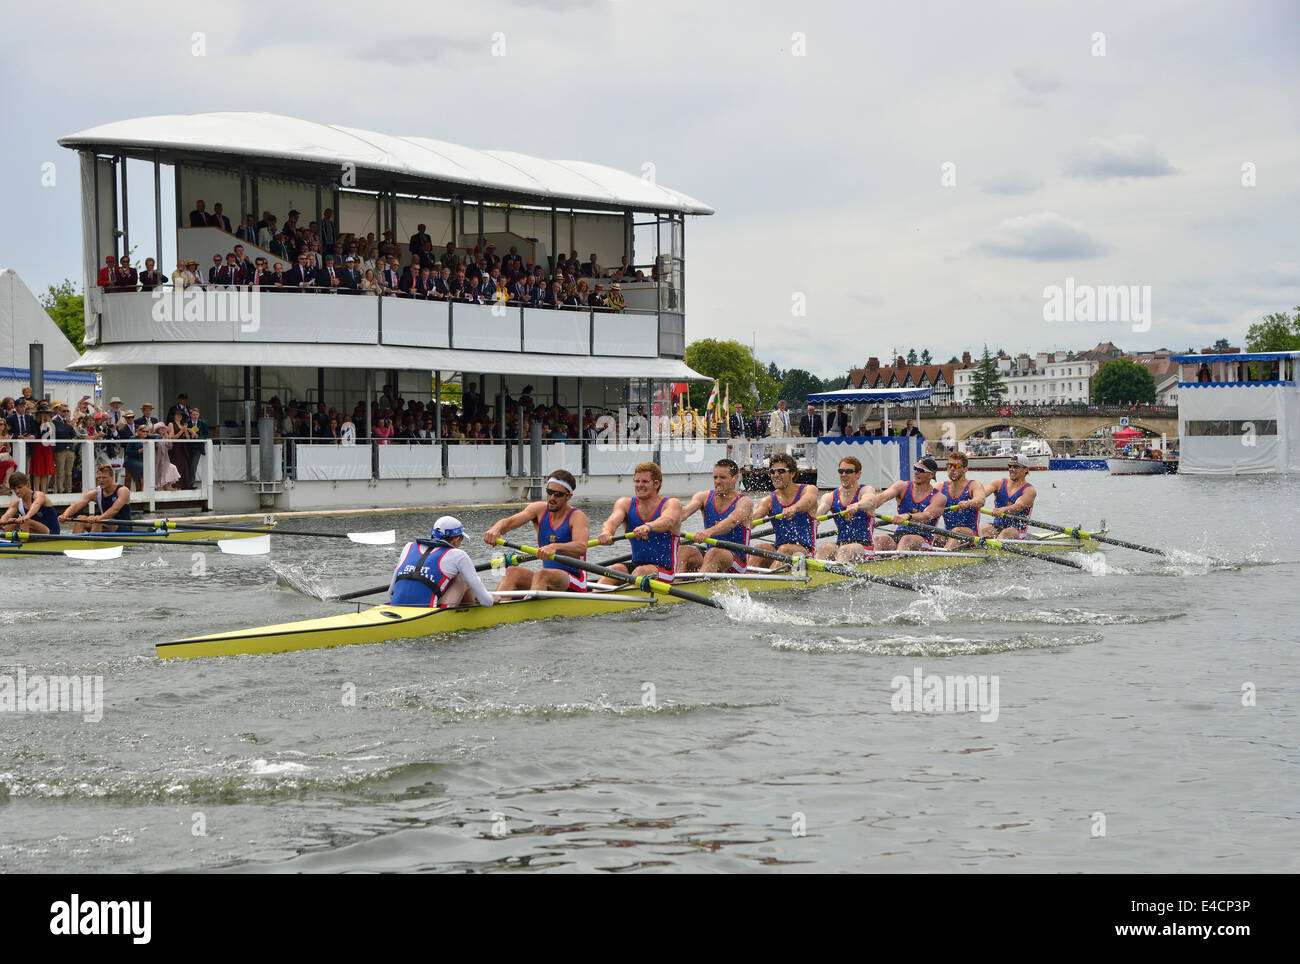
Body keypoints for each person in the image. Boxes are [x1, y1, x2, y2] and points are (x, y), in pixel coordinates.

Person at [483, 470, 591, 595]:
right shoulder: (539, 509)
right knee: (513, 571)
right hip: (547, 576)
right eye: (549, 492)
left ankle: (528, 613)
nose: (552, 498)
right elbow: (509, 522)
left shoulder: (577, 517)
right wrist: (495, 529)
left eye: (558, 494)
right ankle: (498, 605)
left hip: (574, 579)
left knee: (541, 574)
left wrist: (554, 547)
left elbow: (581, 546)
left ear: (569, 496)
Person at [596, 461, 682, 584]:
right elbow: (612, 521)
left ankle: (625, 600)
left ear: (656, 484)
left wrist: (649, 526)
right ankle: (595, 597)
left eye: (645, 482)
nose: (639, 485)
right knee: (615, 569)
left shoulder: (671, 504)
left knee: (640, 572)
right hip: (637, 565)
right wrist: (606, 532)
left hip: (665, 570)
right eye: (637, 481)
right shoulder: (625, 503)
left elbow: (667, 521)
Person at [389, 516, 495, 608]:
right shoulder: (459, 555)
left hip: (395, 606)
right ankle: (468, 615)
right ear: (457, 539)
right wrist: (490, 598)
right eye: (461, 540)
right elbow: (487, 602)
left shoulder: (409, 546)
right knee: (462, 579)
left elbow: (391, 593)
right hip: (429, 613)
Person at [676, 458, 753, 573]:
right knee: (683, 550)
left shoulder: (744, 502)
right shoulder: (703, 497)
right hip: (711, 555)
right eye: (715, 477)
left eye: (722, 477)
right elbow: (684, 513)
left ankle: (699, 586)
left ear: (734, 478)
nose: (717, 481)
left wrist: (708, 532)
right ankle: (677, 584)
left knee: (714, 552)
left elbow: (731, 522)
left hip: (737, 560)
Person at [750, 452, 819, 566]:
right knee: (760, 548)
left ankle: (769, 580)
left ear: (792, 473)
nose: (776, 475)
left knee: (785, 549)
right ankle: (748, 578)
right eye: (772, 472)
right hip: (779, 549)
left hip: (805, 553)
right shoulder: (768, 500)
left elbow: (808, 501)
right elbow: (751, 521)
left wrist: (794, 508)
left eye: (781, 471)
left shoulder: (808, 490)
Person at [868, 457, 948, 552]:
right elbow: (882, 497)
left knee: (907, 540)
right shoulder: (902, 486)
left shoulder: (939, 497)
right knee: (880, 539)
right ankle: (876, 562)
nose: (916, 472)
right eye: (915, 468)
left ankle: (896, 561)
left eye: (920, 470)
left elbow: (926, 516)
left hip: (923, 539)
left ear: (931, 475)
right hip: (900, 534)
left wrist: (908, 516)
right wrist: (866, 505)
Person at [815, 456, 876, 562]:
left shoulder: (865, 490)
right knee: (824, 548)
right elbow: (816, 517)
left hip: (865, 547)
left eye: (848, 471)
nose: (843, 475)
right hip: (842, 545)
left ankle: (840, 575)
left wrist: (857, 505)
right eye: (841, 471)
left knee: (844, 550)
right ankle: (818, 576)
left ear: (858, 474)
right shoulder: (830, 497)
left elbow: (870, 501)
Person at [59, 464, 132, 532]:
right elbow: (77, 505)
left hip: (124, 526)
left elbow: (114, 510)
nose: (101, 480)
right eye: (99, 478)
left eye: (104, 477)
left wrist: (98, 518)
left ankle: (93, 545)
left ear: (112, 477)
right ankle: (75, 543)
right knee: (80, 519)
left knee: (98, 521)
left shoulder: (123, 490)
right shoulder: (96, 493)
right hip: (105, 523)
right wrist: (65, 515)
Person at [979, 454, 1037, 540]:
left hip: (1018, 530)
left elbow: (1018, 507)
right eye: (1010, 466)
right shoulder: (997, 483)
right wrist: (969, 501)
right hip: (998, 526)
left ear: (1025, 469)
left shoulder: (1029, 490)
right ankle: (987, 547)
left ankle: (995, 547)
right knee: (985, 528)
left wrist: (1002, 510)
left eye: (1016, 467)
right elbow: (981, 495)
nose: (1011, 470)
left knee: (1006, 533)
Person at [937, 451, 986, 547]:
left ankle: (945, 556)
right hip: (949, 534)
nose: (951, 469)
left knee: (957, 531)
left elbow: (981, 500)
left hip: (971, 537)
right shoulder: (940, 486)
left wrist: (969, 503)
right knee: (934, 532)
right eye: (949, 465)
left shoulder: (973, 485)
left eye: (956, 466)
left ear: (965, 469)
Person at [28, 402, 55, 494]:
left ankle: (43, 491)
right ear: (38, 414)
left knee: (45, 471)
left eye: (46, 413)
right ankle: (36, 491)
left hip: (47, 448)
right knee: (37, 470)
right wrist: (43, 424)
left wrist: (47, 424)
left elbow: (52, 435)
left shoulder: (50, 424)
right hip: (38, 447)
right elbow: (39, 433)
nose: (44, 415)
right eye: (42, 413)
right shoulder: (35, 422)